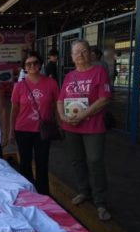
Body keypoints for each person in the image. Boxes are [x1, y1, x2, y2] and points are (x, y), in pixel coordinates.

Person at [57, 39, 112, 221]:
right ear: (71, 57)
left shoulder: (99, 72)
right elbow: (60, 100)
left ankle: (101, 201)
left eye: (83, 51)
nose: (80, 55)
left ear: (90, 53)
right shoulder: (69, 76)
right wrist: (62, 117)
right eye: (76, 52)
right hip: (71, 126)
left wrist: (83, 115)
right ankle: (83, 191)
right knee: (77, 160)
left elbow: (104, 98)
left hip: (93, 126)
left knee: (95, 160)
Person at [9, 51, 59, 195]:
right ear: (24, 66)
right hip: (23, 129)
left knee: (42, 163)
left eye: (35, 63)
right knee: (25, 163)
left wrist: (60, 124)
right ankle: (28, 193)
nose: (32, 66)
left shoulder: (51, 83)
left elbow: (56, 105)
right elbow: (14, 109)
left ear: (40, 64)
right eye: (28, 63)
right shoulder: (19, 86)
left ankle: (44, 195)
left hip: (42, 131)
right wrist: (11, 130)